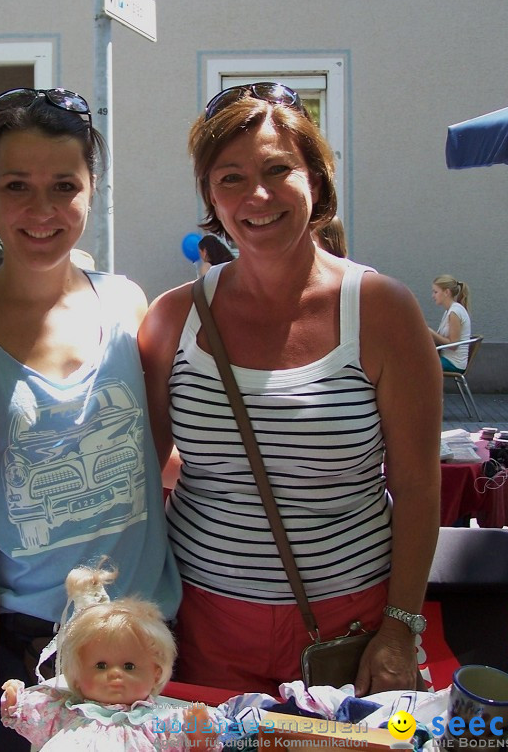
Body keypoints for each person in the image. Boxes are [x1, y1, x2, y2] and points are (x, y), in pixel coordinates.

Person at [138, 82, 440, 696]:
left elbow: (416, 484)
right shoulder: (173, 320)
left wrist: (401, 629)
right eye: (230, 178)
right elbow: (142, 470)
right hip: (200, 625)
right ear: (209, 197)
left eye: (279, 170)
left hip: (348, 625)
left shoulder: (381, 311)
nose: (257, 195)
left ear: (317, 179)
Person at [0, 87, 181, 751]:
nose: (42, 211)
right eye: (18, 186)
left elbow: (157, 453)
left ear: (92, 188)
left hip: (148, 647)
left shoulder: (127, 307)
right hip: (23, 661)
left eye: (64, 185)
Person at [1, 562, 220, 752]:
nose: (115, 674)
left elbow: (182, 742)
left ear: (155, 673)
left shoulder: (158, 722)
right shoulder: (69, 715)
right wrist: (14, 701)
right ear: (76, 676)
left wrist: (198, 735)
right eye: (101, 665)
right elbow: (36, 719)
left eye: (129, 666)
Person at [429, 274, 473, 372]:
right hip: (447, 359)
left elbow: (454, 345)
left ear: (446, 292)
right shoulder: (448, 312)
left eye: (435, 292)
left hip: (454, 363)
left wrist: (431, 333)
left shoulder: (455, 312)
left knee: (418, 364)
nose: (433, 296)